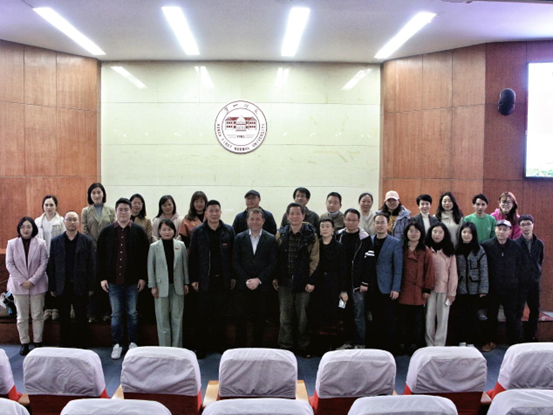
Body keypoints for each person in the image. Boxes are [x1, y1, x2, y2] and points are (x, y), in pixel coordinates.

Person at [97, 198, 150, 359]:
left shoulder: (139, 231)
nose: (123, 212)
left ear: (131, 212)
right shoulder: (106, 232)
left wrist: (143, 277)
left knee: (132, 313)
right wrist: (102, 278)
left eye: (126, 209)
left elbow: (145, 257)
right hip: (112, 281)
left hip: (133, 281)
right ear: (115, 211)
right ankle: (117, 344)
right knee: (116, 314)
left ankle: (133, 342)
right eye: (120, 209)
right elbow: (100, 257)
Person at [189, 200, 235, 359]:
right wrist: (193, 278)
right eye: (211, 211)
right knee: (202, 315)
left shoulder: (229, 230)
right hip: (204, 280)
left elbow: (233, 256)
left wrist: (233, 276)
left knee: (220, 315)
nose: (214, 214)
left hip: (223, 280)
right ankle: (201, 347)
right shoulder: (198, 231)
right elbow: (193, 256)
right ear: (206, 213)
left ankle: (220, 344)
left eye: (217, 210)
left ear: (220, 212)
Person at [274, 202, 319, 357]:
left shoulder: (311, 236)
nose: (294, 216)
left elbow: (315, 260)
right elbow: (275, 258)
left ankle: (303, 346)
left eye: (297, 213)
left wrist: (311, 280)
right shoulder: (280, 234)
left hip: (303, 282)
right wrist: (275, 277)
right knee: (284, 316)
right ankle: (285, 346)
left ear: (303, 216)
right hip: (284, 281)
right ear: (287, 216)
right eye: (291, 213)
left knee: (303, 317)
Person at [47, 211, 96, 348]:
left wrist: (91, 286)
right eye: (69, 219)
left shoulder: (87, 241)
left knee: (81, 316)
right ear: (64, 222)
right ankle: (65, 345)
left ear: (78, 222)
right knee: (64, 317)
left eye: (75, 220)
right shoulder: (55, 241)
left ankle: (82, 345)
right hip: (62, 285)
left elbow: (92, 265)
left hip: (81, 285)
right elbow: (52, 265)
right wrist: (52, 286)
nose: (72, 222)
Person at [232, 208, 277, 347]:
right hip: (243, 285)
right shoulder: (239, 238)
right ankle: (240, 348)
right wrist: (246, 279)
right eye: (252, 219)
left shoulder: (271, 239)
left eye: (258, 219)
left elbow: (273, 263)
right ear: (247, 220)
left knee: (260, 318)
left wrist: (258, 280)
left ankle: (258, 347)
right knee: (240, 318)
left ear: (263, 221)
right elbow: (235, 261)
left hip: (262, 286)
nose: (255, 222)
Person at [6, 217, 48, 355]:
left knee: (37, 315)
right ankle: (24, 342)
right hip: (19, 285)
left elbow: (44, 263)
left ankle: (38, 342)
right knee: (21, 316)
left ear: (33, 228)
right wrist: (22, 281)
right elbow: (9, 264)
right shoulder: (12, 243)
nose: (26, 229)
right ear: (19, 229)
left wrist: (32, 281)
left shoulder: (41, 243)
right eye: (23, 227)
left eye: (28, 226)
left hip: (37, 284)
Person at [481, 220, 525, 351]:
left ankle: (514, 343)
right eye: (499, 229)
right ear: (495, 230)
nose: (501, 232)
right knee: (491, 316)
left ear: (510, 231)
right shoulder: (486, 245)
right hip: (492, 288)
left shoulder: (516, 246)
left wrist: (516, 282)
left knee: (512, 316)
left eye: (505, 229)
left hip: (511, 288)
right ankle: (490, 341)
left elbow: (520, 266)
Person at [335, 208, 376, 349]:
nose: (351, 222)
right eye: (348, 219)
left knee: (358, 313)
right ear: (344, 220)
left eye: (354, 220)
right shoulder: (338, 236)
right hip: (341, 284)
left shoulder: (365, 238)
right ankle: (346, 341)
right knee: (343, 311)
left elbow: (369, 262)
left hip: (357, 284)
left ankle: (360, 342)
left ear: (358, 221)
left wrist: (365, 282)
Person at [148, 219, 189, 348]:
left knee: (177, 318)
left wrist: (186, 282)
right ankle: (165, 348)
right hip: (160, 287)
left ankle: (177, 348)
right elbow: (150, 267)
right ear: (159, 231)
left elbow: (185, 266)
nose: (167, 232)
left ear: (174, 231)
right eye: (164, 229)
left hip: (178, 286)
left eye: (170, 229)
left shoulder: (180, 245)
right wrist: (152, 286)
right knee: (162, 319)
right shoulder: (154, 247)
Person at [397, 221, 435, 355]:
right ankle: (402, 343)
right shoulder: (400, 248)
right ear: (406, 232)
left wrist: (427, 289)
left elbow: (430, 271)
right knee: (402, 319)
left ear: (421, 233)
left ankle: (414, 344)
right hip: (402, 289)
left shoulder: (425, 250)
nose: (413, 234)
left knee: (416, 320)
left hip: (418, 291)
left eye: (416, 231)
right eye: (411, 231)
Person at [310, 218, 347, 353]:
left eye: (327, 226)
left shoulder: (339, 247)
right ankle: (319, 345)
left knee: (334, 313)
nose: (324, 229)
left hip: (334, 284)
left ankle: (334, 345)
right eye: (322, 226)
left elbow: (343, 270)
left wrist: (343, 290)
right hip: (318, 284)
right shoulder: (316, 245)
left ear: (333, 229)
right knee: (318, 313)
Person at [368, 212, 403, 352]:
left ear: (388, 224)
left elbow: (398, 267)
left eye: (382, 222)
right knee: (374, 317)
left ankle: (389, 348)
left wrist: (396, 288)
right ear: (374, 224)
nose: (380, 225)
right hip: (372, 286)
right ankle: (375, 348)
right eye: (377, 222)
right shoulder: (369, 241)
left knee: (388, 318)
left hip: (388, 287)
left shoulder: (395, 242)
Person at [81, 182, 115, 323]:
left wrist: (105, 246)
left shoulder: (111, 210)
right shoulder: (85, 211)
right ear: (90, 195)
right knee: (93, 282)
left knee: (107, 281)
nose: (96, 195)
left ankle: (107, 312)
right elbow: (84, 230)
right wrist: (95, 245)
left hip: (108, 251)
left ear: (103, 194)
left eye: (99, 192)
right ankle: (93, 313)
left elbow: (113, 230)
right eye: (93, 193)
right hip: (92, 251)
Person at [454, 221, 488, 347]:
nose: (466, 235)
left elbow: (484, 270)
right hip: (459, 289)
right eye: (464, 232)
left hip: (475, 289)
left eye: (469, 232)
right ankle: (461, 341)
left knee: (472, 316)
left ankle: (471, 341)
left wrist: (483, 289)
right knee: (460, 316)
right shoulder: (456, 249)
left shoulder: (479, 250)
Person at [424, 223, 457, 347]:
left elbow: (453, 273)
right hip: (429, 290)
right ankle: (429, 344)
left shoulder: (449, 251)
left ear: (445, 234)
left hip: (444, 290)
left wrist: (452, 292)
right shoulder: (426, 250)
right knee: (429, 318)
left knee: (443, 319)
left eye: (440, 232)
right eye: (435, 231)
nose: (437, 235)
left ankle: (439, 345)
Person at [35, 195, 65, 322]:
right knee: (44, 282)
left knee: (55, 282)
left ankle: (56, 308)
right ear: (43, 206)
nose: (49, 207)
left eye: (51, 205)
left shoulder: (61, 221)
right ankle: (47, 309)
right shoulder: (37, 222)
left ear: (56, 206)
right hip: (42, 256)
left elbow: (64, 238)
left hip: (56, 256)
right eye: (46, 205)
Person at [516, 214, 545, 342]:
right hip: (520, 282)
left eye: (528, 224)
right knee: (518, 311)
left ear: (533, 225)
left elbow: (540, 260)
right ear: (519, 227)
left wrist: (537, 273)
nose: (526, 227)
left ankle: (530, 336)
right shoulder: (515, 244)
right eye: (523, 225)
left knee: (535, 310)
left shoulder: (539, 243)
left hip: (534, 282)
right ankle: (518, 337)